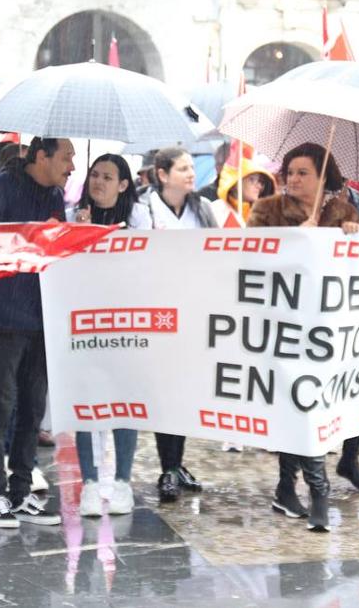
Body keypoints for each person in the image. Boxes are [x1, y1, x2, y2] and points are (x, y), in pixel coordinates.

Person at [248, 142, 359, 532]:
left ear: (322, 177)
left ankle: (285, 487)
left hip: (328, 327)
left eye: (303, 173)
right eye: (290, 172)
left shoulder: (343, 212)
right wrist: (297, 237)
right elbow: (252, 260)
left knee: (306, 406)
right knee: (299, 404)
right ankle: (319, 492)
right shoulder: (267, 211)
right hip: (282, 325)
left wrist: (353, 235)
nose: (293, 179)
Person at [0, 137, 73, 528]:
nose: (73, 166)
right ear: (41, 156)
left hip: (41, 317)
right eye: (66, 157)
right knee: (1, 407)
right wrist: (31, 235)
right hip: (0, 316)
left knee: (32, 409)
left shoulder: (56, 194)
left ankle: (21, 490)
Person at [68, 154, 150, 516]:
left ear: (123, 185)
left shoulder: (138, 221)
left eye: (107, 176)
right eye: (94, 175)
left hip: (126, 326)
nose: (98, 182)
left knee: (124, 401)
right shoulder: (74, 217)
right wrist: (77, 235)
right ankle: (88, 483)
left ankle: (122, 482)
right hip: (83, 325)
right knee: (85, 403)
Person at [139, 147, 218, 503]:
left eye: (191, 168)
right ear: (162, 173)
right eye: (182, 168)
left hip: (194, 309)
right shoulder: (144, 207)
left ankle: (177, 462)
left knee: (185, 392)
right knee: (163, 393)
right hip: (156, 311)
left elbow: (220, 250)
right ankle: (168, 467)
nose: (190, 173)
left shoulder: (202, 208)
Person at [208, 155, 276, 229]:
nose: (259, 186)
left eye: (261, 181)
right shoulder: (215, 210)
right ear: (234, 182)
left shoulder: (265, 215)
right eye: (252, 179)